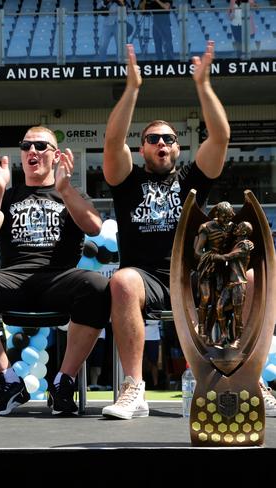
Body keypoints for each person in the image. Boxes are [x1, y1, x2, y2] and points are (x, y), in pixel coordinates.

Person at [102, 41, 232, 420]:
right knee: (123, 281)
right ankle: (134, 389)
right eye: (152, 139)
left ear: (178, 148)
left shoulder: (192, 178)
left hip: (193, 277)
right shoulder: (126, 182)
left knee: (251, 278)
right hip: (149, 280)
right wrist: (132, 89)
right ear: (141, 149)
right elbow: (112, 141)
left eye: (169, 139)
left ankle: (246, 376)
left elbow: (220, 138)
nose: (161, 143)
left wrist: (204, 86)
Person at [0, 127, 111, 416]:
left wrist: (65, 189)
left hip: (58, 278)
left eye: (40, 145)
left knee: (98, 286)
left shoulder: (70, 193)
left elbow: (94, 227)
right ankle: (8, 380)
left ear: (56, 155)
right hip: (14, 279)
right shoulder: (8, 196)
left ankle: (63, 382)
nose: (32, 151)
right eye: (26, 146)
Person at [193, 201, 235, 343]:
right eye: (224, 217)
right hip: (207, 267)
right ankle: (202, 328)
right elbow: (197, 252)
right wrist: (215, 256)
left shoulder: (232, 227)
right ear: (217, 215)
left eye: (229, 218)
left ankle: (210, 333)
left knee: (218, 302)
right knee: (205, 297)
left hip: (222, 269)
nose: (227, 221)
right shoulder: (206, 228)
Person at [214, 220, 253, 348]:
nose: (237, 227)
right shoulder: (235, 243)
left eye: (240, 226)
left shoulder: (245, 245)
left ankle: (238, 339)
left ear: (244, 232)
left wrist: (212, 256)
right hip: (229, 283)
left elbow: (229, 256)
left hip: (239, 283)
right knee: (219, 307)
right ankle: (224, 335)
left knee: (238, 313)